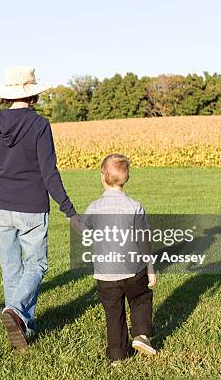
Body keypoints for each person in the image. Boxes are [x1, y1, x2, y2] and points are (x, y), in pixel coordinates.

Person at [0, 67, 78, 350]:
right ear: (33, 94)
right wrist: (69, 211)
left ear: (7, 95)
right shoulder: (39, 125)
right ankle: (17, 312)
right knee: (37, 264)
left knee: (11, 270)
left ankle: (24, 327)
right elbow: (50, 173)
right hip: (32, 207)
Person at [82, 154, 157, 364]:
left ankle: (117, 356)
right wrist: (150, 266)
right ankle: (141, 335)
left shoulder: (95, 207)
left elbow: (84, 230)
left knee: (113, 313)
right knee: (140, 297)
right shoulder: (135, 206)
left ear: (102, 177)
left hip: (105, 273)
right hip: (133, 268)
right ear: (127, 178)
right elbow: (144, 239)